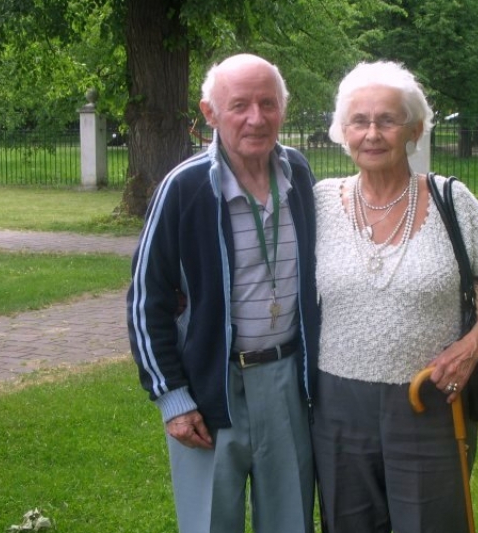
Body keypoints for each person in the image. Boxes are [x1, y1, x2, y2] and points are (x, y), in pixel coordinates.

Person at [311, 61, 478, 533]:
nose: (372, 133)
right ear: (343, 131)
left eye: (387, 120)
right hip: (337, 405)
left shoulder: (452, 199)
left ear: (415, 129)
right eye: (359, 121)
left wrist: (472, 347)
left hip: (430, 397)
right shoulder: (320, 202)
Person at [127, 53, 319, 533]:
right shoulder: (184, 187)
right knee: (210, 523)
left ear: (283, 109)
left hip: (288, 383)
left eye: (268, 103)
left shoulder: (299, 175)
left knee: (291, 520)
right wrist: (173, 397)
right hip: (211, 388)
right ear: (209, 113)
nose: (256, 118)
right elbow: (144, 300)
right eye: (239, 105)